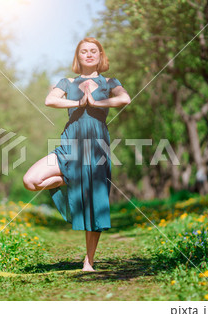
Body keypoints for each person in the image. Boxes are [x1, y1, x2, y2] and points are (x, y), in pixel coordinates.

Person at [23, 37, 131, 271]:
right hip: (69, 146)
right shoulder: (67, 82)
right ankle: (70, 181)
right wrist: (78, 101)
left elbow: (125, 98)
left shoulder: (110, 82)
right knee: (31, 180)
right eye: (84, 51)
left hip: (96, 148)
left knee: (95, 202)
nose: (89, 54)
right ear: (78, 56)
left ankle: (89, 261)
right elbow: (50, 100)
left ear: (101, 56)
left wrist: (96, 103)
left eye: (94, 51)